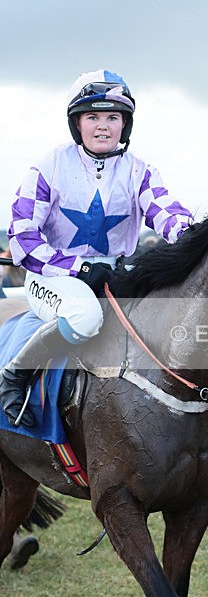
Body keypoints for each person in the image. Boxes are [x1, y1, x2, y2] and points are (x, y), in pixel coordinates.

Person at [0, 69, 193, 429]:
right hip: (52, 276)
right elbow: (22, 238)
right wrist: (78, 269)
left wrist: (196, 237)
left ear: (125, 124)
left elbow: (168, 214)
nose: (102, 126)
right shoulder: (49, 165)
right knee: (85, 317)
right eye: (92, 116)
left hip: (114, 275)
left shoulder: (140, 171)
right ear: (77, 124)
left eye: (112, 117)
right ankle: (15, 375)